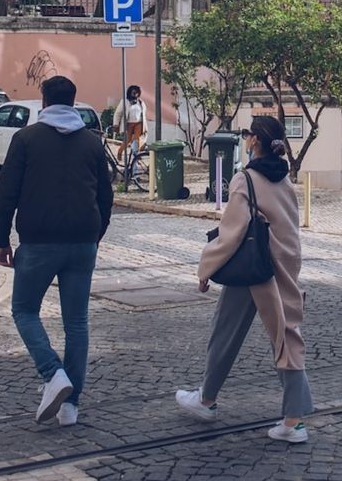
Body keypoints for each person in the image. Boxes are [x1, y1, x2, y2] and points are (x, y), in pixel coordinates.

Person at [176, 115, 314, 443]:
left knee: (224, 333)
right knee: (287, 336)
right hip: (281, 267)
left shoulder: (245, 179)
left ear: (253, 141)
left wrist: (205, 270)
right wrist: (291, 270)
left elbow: (230, 234)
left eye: (248, 135)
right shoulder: (285, 180)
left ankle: (207, 400)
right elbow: (291, 228)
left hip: (251, 269)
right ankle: (294, 421)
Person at [0, 74, 114, 427]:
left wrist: (1, 239)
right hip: (82, 242)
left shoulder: (26, 139)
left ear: (44, 101)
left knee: (24, 311)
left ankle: (52, 373)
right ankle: (70, 406)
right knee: (77, 323)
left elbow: (6, 194)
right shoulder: (92, 144)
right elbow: (106, 197)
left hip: (38, 242)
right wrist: (96, 234)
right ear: (73, 102)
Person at [120, 85, 146, 159]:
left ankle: (135, 155)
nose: (135, 94)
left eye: (137, 93)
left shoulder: (141, 103)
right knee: (127, 140)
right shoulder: (125, 102)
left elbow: (143, 114)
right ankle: (120, 151)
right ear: (130, 93)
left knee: (136, 140)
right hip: (129, 124)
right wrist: (116, 124)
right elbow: (118, 113)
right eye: (134, 92)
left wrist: (144, 126)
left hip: (138, 123)